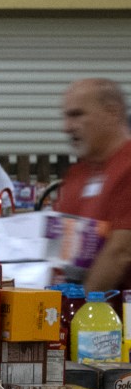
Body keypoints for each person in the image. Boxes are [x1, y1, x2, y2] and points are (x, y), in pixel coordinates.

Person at [55, 78, 131, 291]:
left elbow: (120, 252)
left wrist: (80, 312)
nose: (66, 128)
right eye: (65, 117)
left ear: (112, 112)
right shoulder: (77, 174)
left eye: (77, 115)